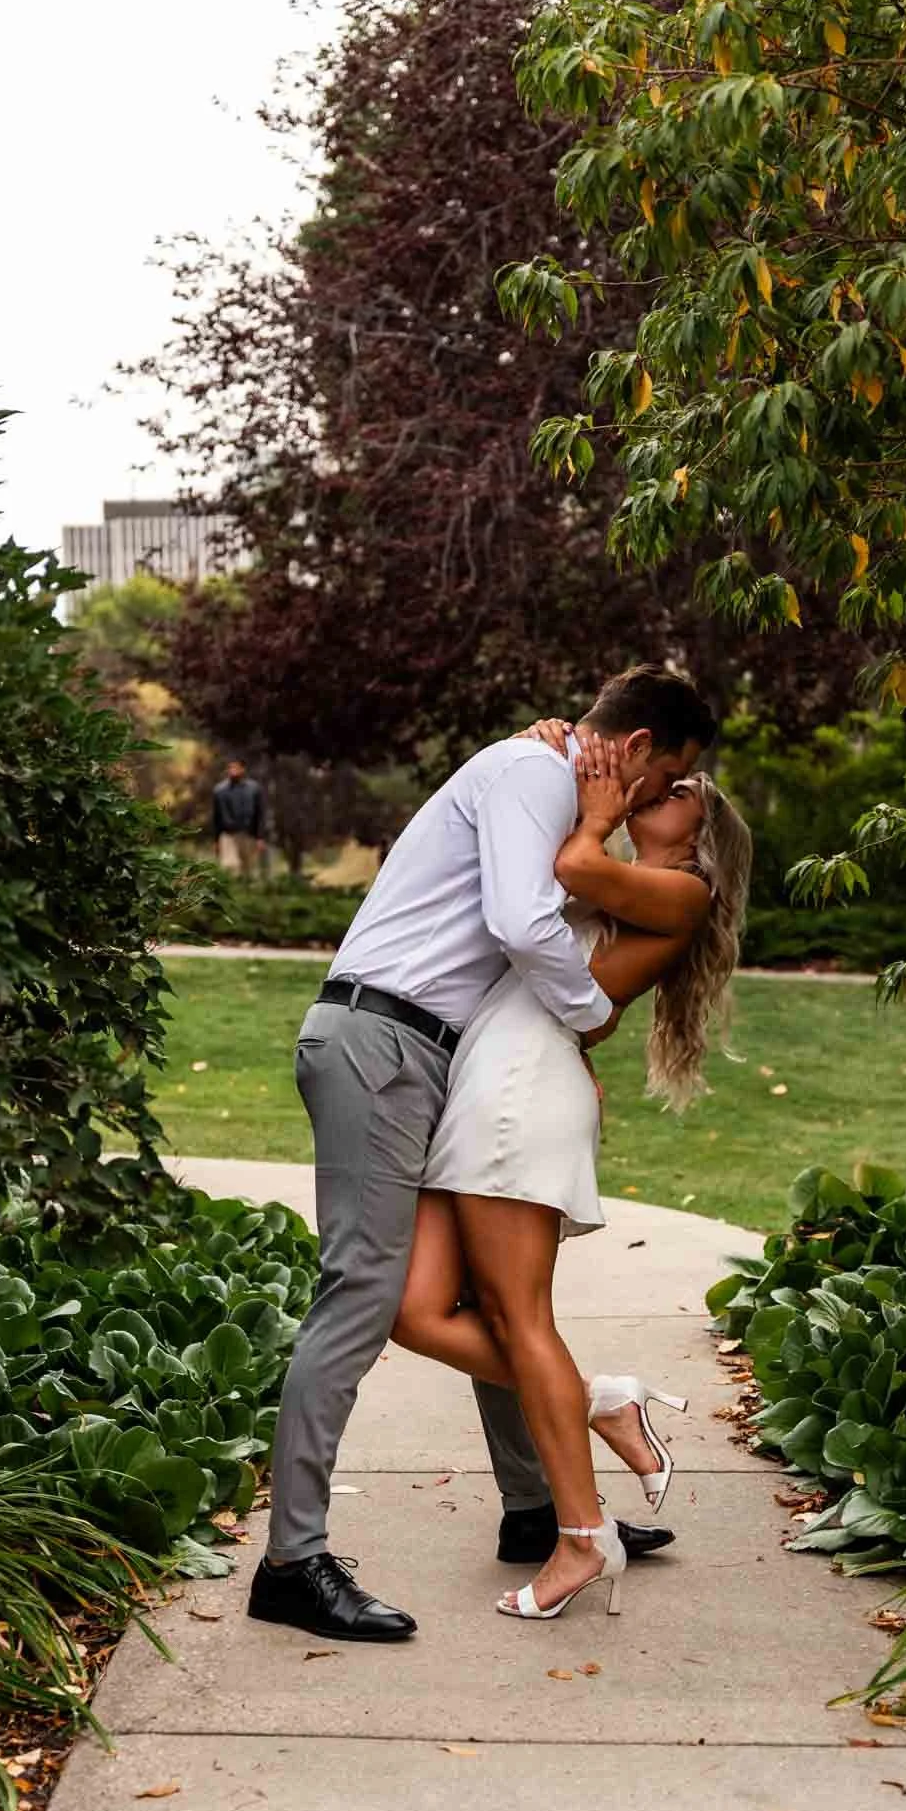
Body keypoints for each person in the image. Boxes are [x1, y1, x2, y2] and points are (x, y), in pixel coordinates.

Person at [248, 667, 717, 1644]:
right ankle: (292, 1561)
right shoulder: (535, 774)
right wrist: (585, 1016)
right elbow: (519, 921)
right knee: (362, 1298)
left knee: (472, 1301)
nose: (660, 800)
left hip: (432, 1056)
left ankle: (538, 1507)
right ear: (633, 750)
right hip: (383, 1044)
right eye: (666, 776)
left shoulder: (552, 781)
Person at [391, 730, 752, 1620]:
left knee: (520, 1320)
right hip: (488, 1085)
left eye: (678, 791)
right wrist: (541, 747)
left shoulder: (681, 889)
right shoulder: (627, 877)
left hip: (520, 1096)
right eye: (668, 775)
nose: (662, 788)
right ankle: (602, 1402)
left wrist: (592, 812)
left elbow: (568, 868)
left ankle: (581, 1538)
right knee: (414, 1309)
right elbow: (527, 890)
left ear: (698, 834)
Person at [212, 758, 266, 877]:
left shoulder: (254, 789)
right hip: (228, 835)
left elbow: (260, 814)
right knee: (230, 867)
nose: (232, 771)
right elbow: (216, 816)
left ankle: (246, 893)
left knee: (249, 869)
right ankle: (231, 891)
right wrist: (216, 840)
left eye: (236, 767)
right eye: (230, 768)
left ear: (243, 769)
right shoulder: (219, 791)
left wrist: (260, 837)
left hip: (248, 833)